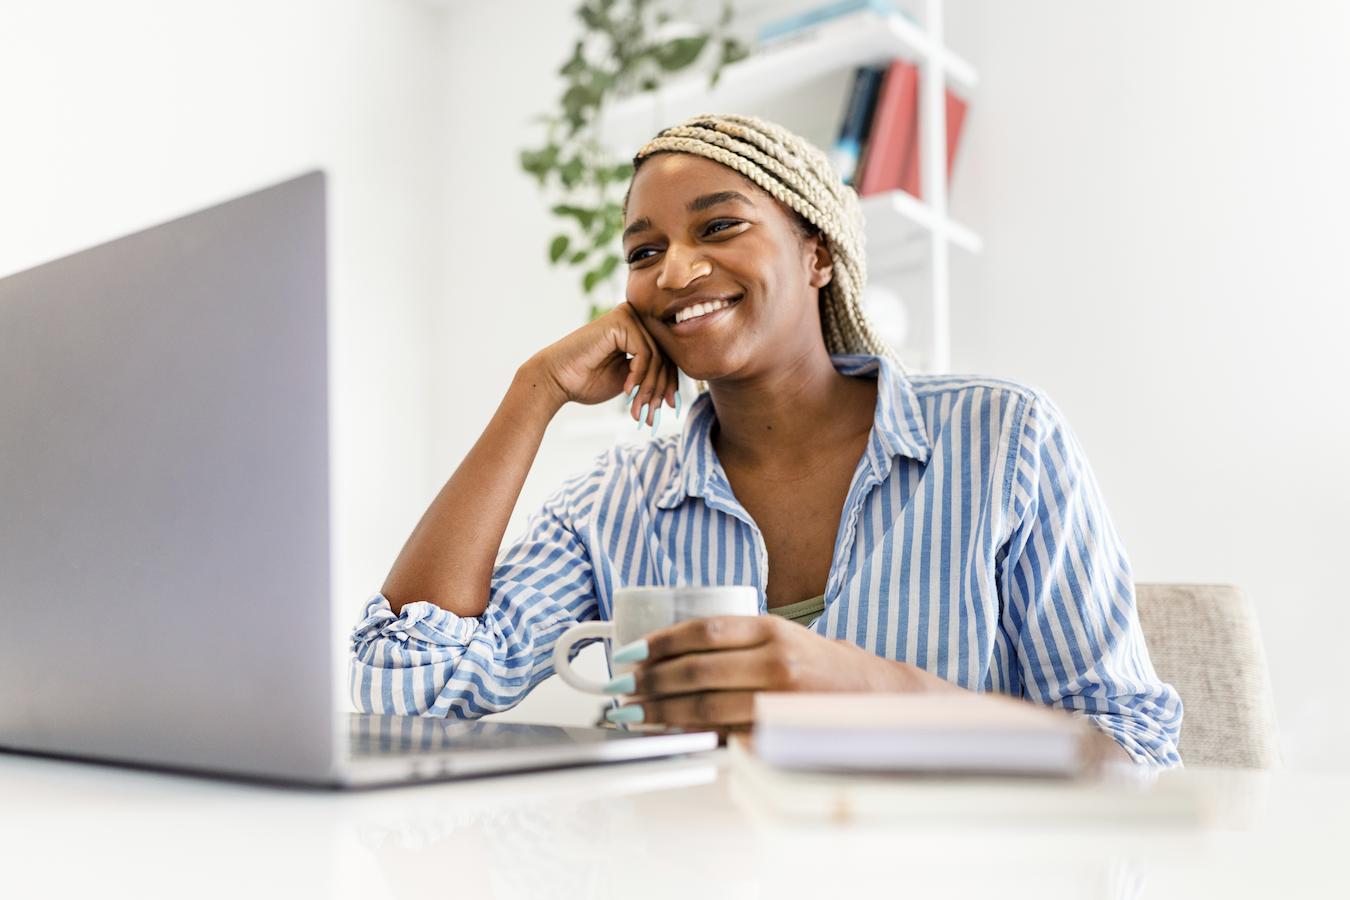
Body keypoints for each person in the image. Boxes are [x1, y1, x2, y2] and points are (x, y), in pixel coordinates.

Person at [350, 113, 1183, 766]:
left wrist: (869, 689)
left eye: (718, 228)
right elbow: (406, 691)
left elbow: (1132, 753)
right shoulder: (615, 502)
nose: (674, 271)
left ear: (816, 254)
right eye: (645, 251)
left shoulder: (1002, 441)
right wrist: (532, 396)